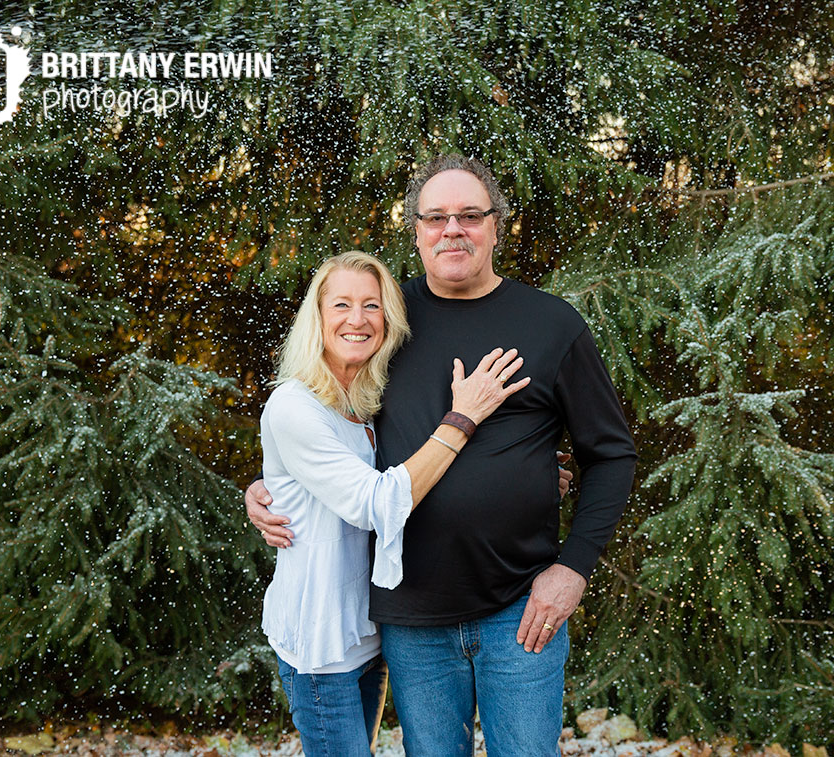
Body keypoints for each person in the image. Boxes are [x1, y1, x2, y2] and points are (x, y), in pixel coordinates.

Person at [249, 157, 638, 756]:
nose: (451, 229)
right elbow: (328, 423)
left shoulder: (552, 325)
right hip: (410, 618)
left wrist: (573, 567)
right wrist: (270, 487)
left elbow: (611, 455)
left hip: (522, 606)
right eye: (435, 217)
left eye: (469, 215)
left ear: (495, 226)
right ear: (416, 229)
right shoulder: (385, 322)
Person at [260, 250, 529, 756]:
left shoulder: (364, 399)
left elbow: (322, 477)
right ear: (316, 317)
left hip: (369, 634)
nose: (357, 319)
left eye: (372, 305)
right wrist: (462, 417)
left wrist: (523, 478)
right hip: (321, 648)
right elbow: (374, 502)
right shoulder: (293, 405)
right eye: (341, 304)